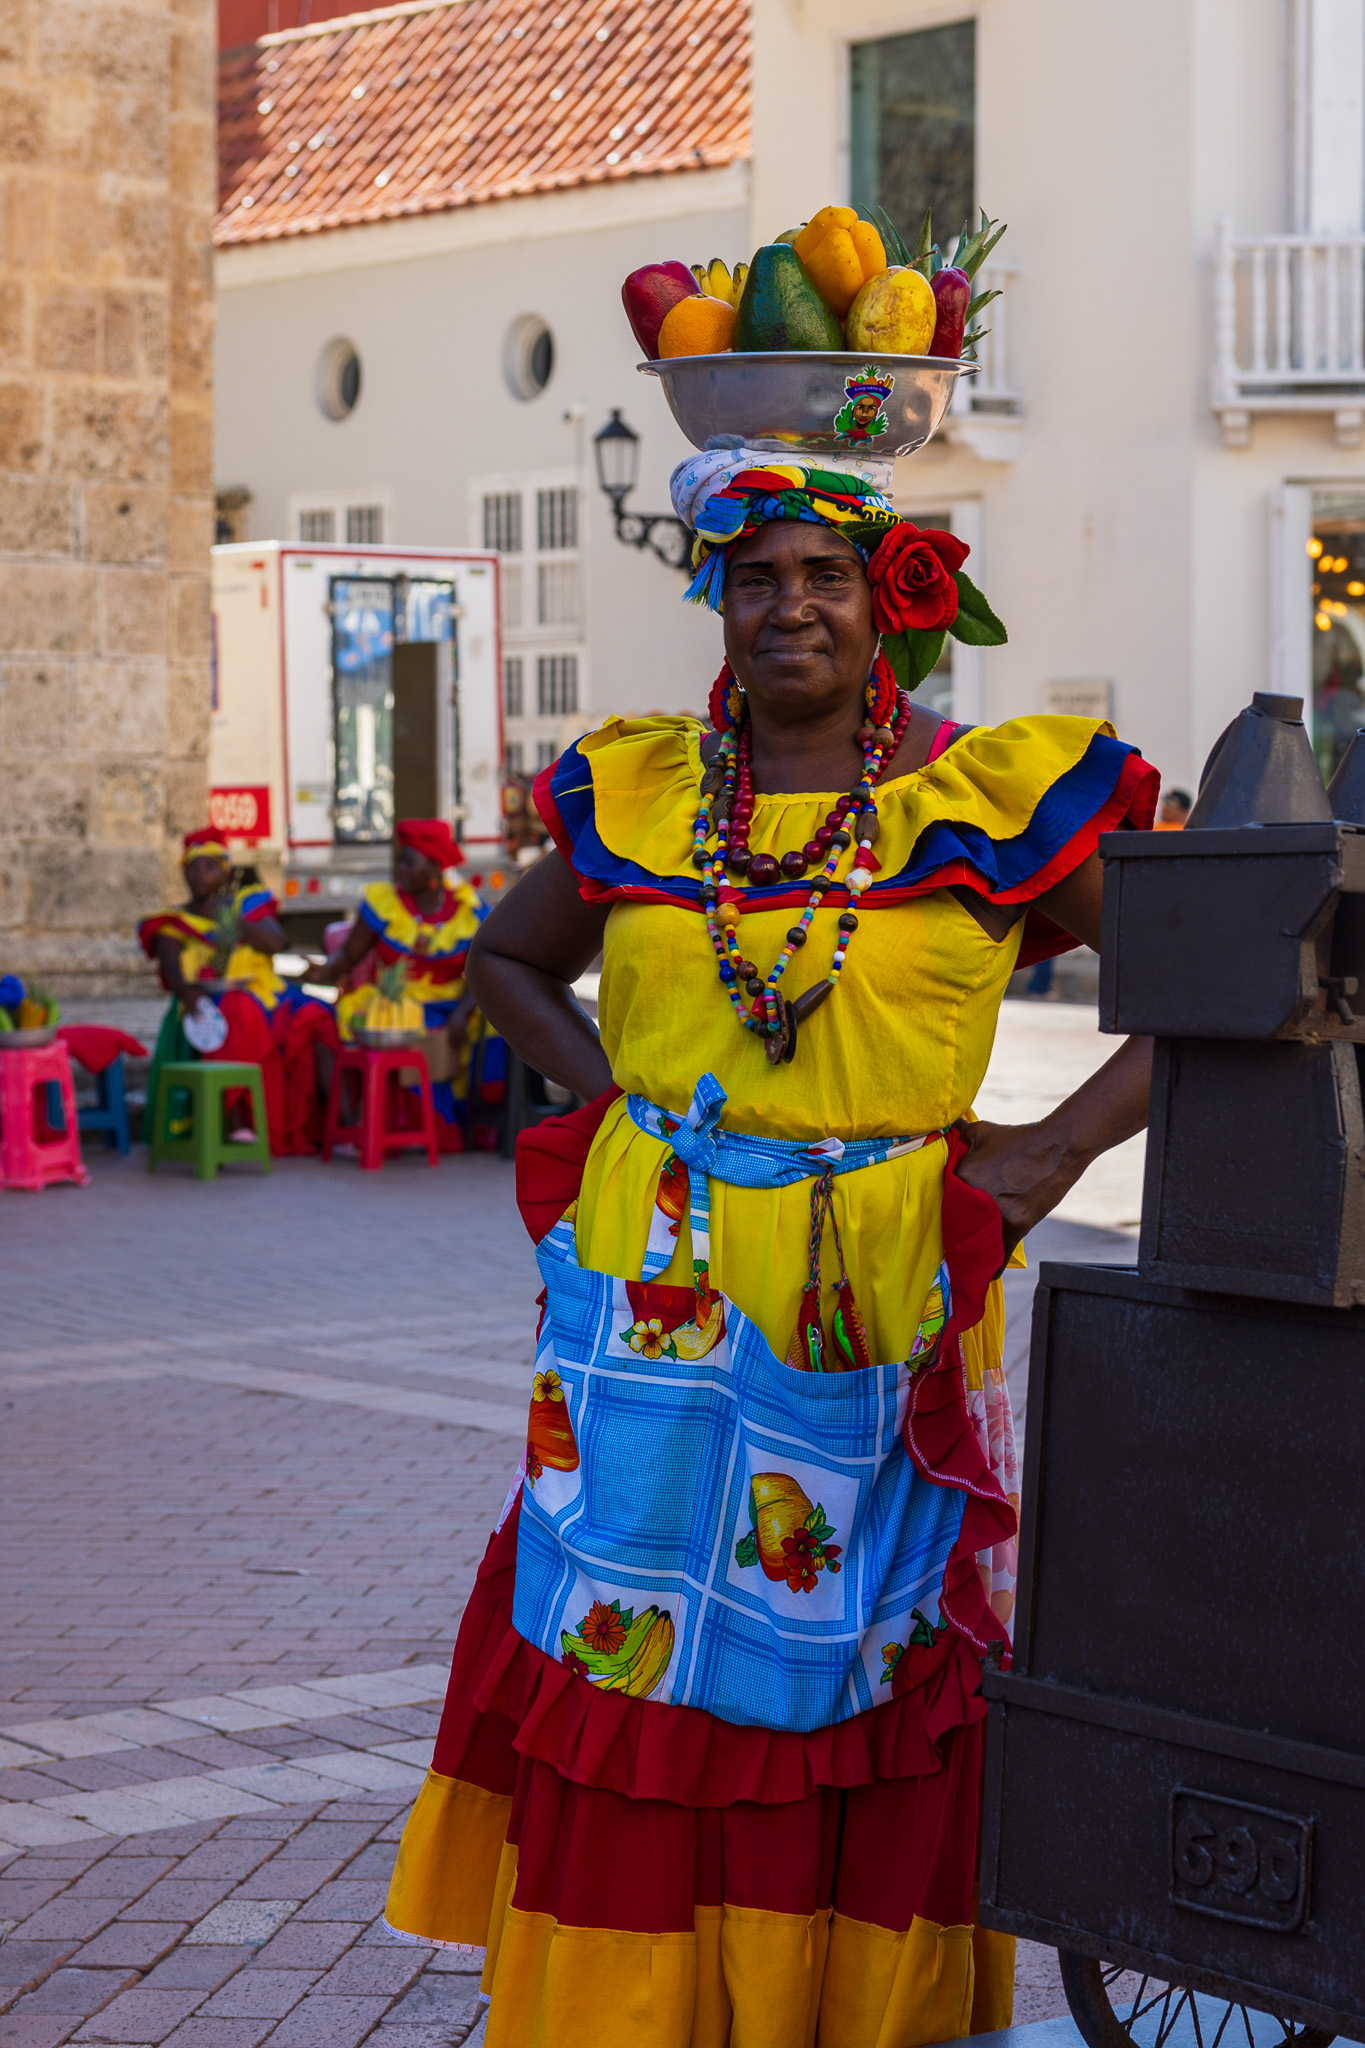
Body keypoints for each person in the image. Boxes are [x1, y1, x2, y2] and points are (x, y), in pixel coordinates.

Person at [383, 459, 1157, 2045]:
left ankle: (839, 2008)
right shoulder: (649, 790)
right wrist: (629, 1106)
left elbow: (1199, 993)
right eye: (754, 579)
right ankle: (630, 2007)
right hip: (646, 1290)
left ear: (893, 607)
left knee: (851, 1652)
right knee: (631, 1643)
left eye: (824, 575)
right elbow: (509, 959)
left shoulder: (985, 793)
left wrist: (1047, 1153)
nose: (787, 604)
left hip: (878, 1283)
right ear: (718, 608)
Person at [309, 818, 504, 1143]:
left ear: (433, 866)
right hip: (398, 1004)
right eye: (399, 860)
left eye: (408, 862)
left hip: (455, 1003)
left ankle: (483, 1120)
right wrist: (322, 970)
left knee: (498, 1025)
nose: (400, 869)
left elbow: (484, 969)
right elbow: (348, 955)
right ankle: (424, 1126)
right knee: (408, 1025)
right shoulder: (383, 903)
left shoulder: (468, 909)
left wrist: (461, 1011)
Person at [139, 830, 333, 1149]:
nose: (201, 876)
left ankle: (341, 1123)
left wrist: (231, 919)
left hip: (270, 995)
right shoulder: (172, 922)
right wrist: (193, 999)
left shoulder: (249, 904)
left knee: (319, 1016)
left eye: (210, 868)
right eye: (194, 868)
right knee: (237, 1009)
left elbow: (273, 943)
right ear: (183, 873)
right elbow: (173, 973)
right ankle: (233, 1117)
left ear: (226, 872)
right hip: (208, 999)